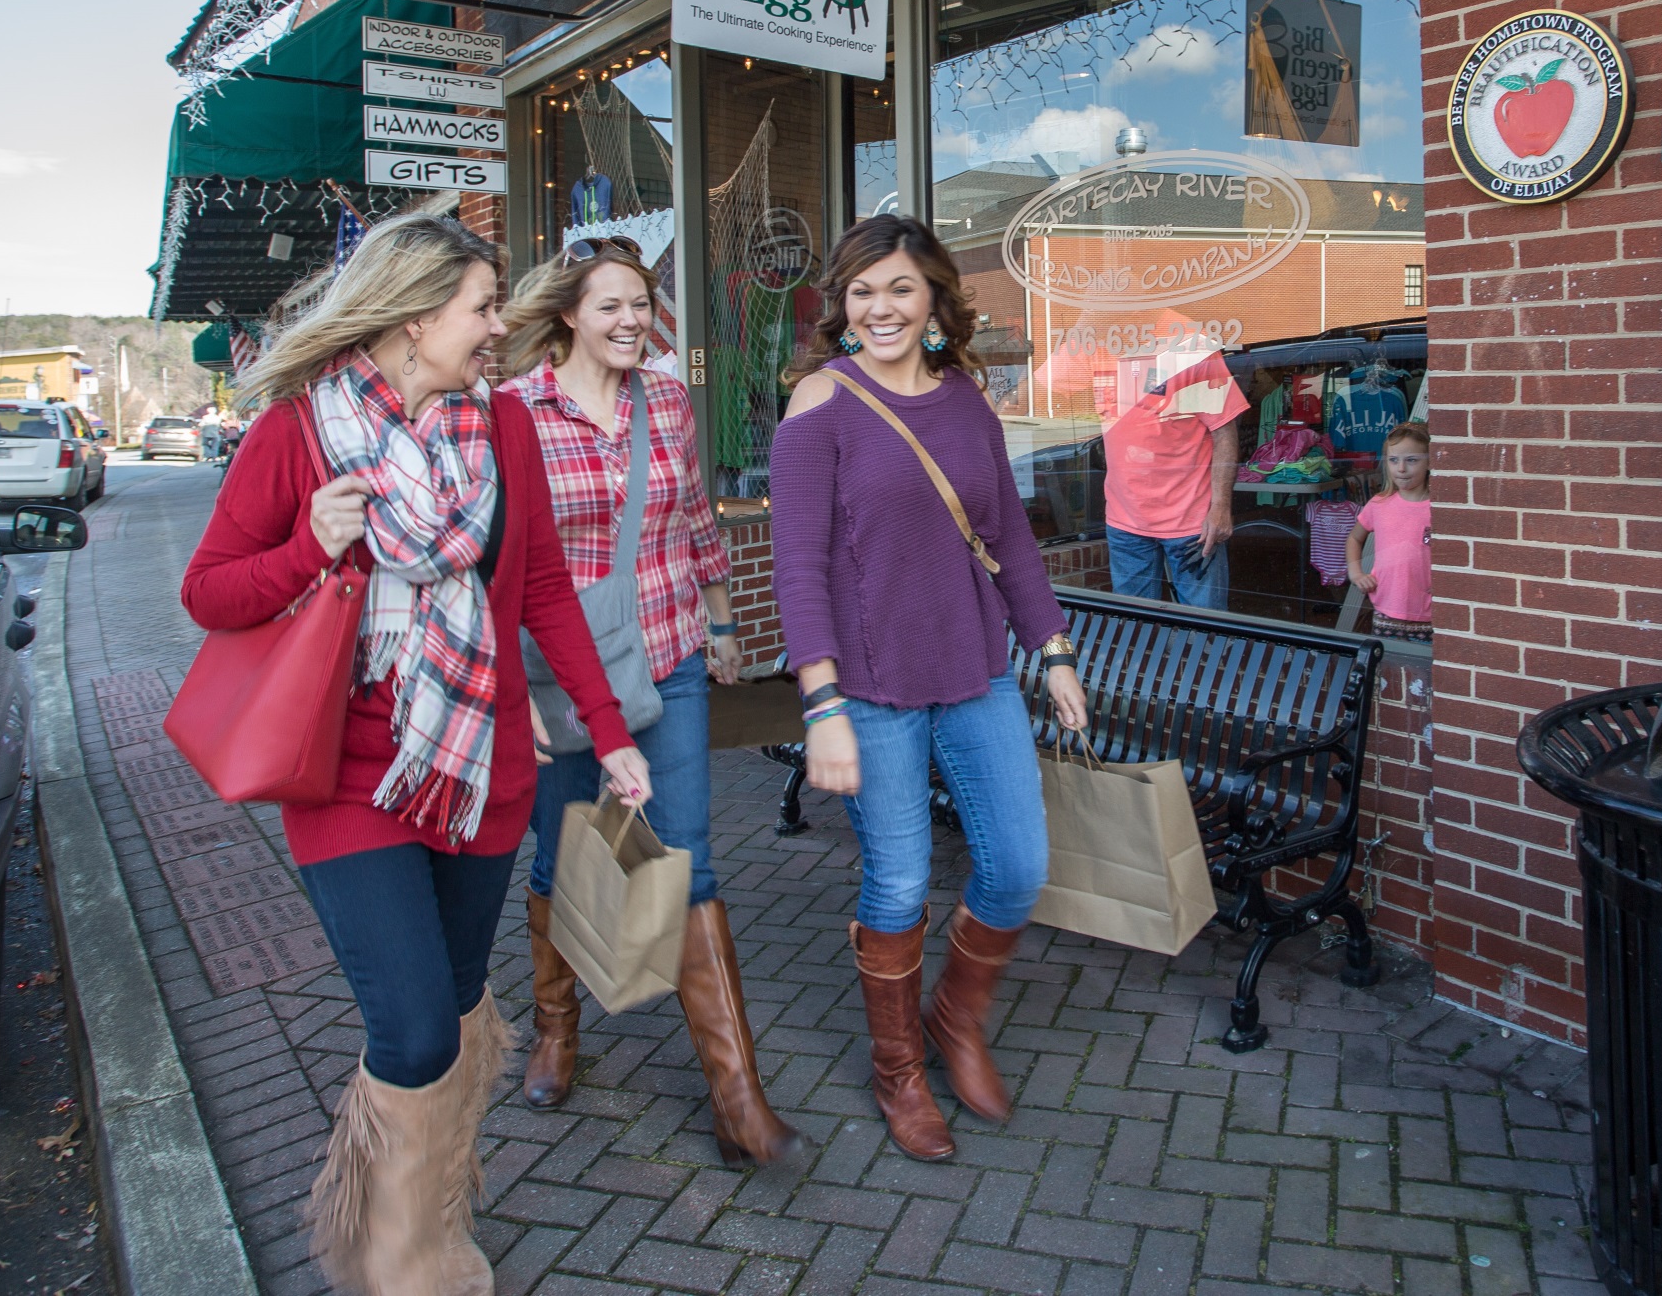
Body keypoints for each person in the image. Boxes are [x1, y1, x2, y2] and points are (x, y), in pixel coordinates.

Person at [182, 213, 651, 1296]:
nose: (500, 326)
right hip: (346, 773)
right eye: (484, 307)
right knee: (410, 1025)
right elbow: (208, 591)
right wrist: (313, 543)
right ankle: (395, 1263)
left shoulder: (507, 431)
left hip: (481, 768)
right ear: (413, 315)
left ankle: (428, 1223)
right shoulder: (296, 433)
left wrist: (611, 732)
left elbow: (539, 593)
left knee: (449, 1010)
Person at [770, 215, 1089, 1163]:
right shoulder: (818, 404)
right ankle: (899, 1068)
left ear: (934, 300)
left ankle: (955, 1017)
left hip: (977, 671)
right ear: (842, 304)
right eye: (862, 291)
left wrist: (1054, 648)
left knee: (1018, 868)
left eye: (900, 289)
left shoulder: (964, 403)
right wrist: (822, 703)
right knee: (899, 881)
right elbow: (798, 569)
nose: (880, 308)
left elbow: (1013, 541)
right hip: (869, 689)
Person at [497, 235, 801, 1167]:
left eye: (641, 304)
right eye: (610, 306)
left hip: (665, 653)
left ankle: (736, 1092)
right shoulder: (514, 413)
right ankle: (558, 1027)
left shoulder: (666, 400)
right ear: (566, 318)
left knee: (689, 860)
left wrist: (720, 622)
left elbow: (695, 517)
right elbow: (499, 559)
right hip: (559, 673)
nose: (632, 321)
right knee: (565, 848)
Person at [1101, 343, 1247, 608]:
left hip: (1191, 521)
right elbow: (1051, 385)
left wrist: (1220, 507)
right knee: (1133, 626)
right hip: (1125, 518)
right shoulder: (1100, 344)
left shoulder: (1191, 346)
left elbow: (1224, 431)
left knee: (1206, 627)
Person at [1345, 421, 1432, 643]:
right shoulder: (1379, 504)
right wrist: (1355, 573)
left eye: (1411, 460)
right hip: (1385, 610)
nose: (1401, 468)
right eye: (1393, 460)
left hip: (1430, 615)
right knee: (1388, 674)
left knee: (1426, 675)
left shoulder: (1439, 508)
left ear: (1430, 461)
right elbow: (1355, 538)